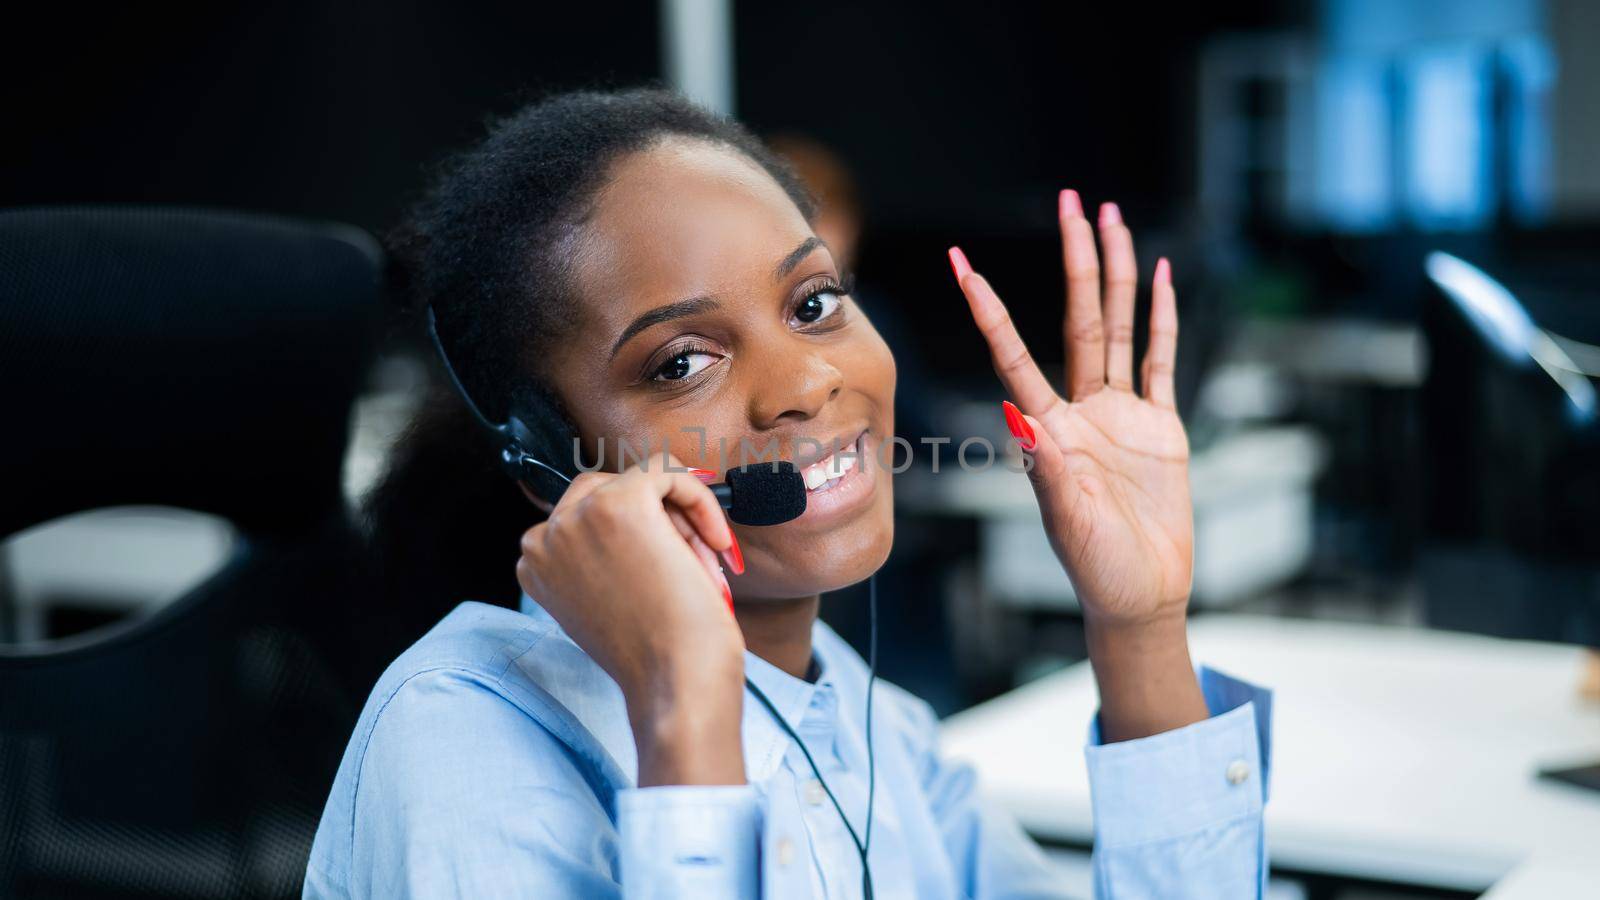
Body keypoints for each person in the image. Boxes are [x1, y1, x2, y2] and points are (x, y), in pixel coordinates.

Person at [305, 88, 1271, 899]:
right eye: (681, 362)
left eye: (814, 305)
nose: (807, 384)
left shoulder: (863, 720)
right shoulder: (459, 743)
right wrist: (684, 709)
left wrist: (1139, 632)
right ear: (549, 464)